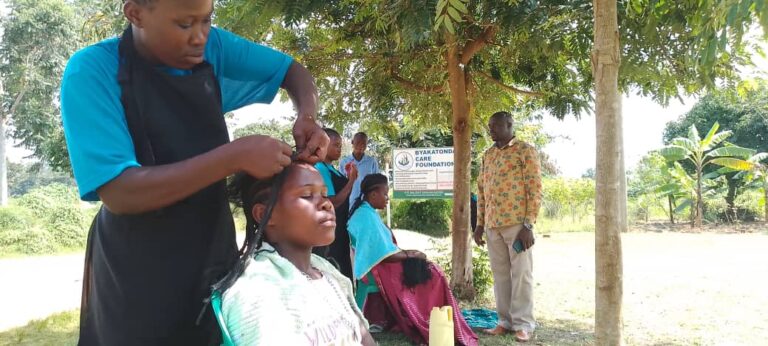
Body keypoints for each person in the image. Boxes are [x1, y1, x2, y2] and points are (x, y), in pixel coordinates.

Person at [60, 0, 329, 344]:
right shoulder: (93, 70)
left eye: (207, 20)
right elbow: (120, 192)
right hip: (137, 267)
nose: (200, 37)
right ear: (135, 14)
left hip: (211, 245)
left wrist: (307, 116)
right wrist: (234, 157)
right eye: (185, 24)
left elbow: (292, 71)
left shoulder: (213, 47)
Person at [211, 162, 375, 346]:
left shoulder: (327, 273)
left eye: (324, 194)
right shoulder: (257, 292)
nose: (326, 204)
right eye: (307, 195)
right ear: (265, 214)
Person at [347, 174, 479, 346]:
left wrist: (409, 253)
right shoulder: (366, 216)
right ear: (373, 195)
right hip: (380, 269)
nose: (388, 198)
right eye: (385, 194)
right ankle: (427, 318)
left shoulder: (366, 212)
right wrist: (410, 254)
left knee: (431, 269)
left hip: (383, 264)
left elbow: (380, 248)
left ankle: (435, 316)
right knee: (434, 274)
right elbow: (382, 255)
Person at [473, 111, 542, 342]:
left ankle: (523, 324)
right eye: (489, 126)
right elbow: (481, 191)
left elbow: (535, 189)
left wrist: (528, 225)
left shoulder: (525, 150)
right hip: (493, 225)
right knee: (500, 275)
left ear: (509, 124)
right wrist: (479, 224)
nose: (490, 130)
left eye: (495, 125)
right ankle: (504, 321)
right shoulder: (488, 155)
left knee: (521, 274)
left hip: (517, 225)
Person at [312, 128, 358, 280]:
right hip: (330, 232)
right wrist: (351, 181)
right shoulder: (320, 168)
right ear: (323, 145)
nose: (340, 149)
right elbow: (333, 202)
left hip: (339, 229)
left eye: (340, 146)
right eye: (336, 145)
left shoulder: (331, 169)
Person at [339, 132, 379, 210]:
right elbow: (341, 184)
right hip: (349, 204)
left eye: (364, 143)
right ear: (352, 142)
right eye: (358, 143)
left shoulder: (371, 162)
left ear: (367, 144)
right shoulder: (344, 162)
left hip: (367, 204)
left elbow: (377, 183)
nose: (361, 146)